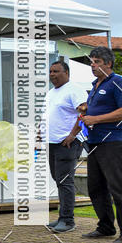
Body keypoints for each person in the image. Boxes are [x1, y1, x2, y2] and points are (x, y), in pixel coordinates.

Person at [70, 46, 122, 243]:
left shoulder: (117, 82)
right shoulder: (95, 85)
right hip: (94, 142)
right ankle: (105, 227)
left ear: (108, 63)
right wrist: (87, 109)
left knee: (118, 188)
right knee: (96, 187)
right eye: (91, 62)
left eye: (97, 62)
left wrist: (96, 119)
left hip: (112, 142)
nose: (92, 65)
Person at [46, 60, 87, 232]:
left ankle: (68, 220)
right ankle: (62, 216)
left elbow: (84, 111)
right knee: (58, 179)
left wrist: (72, 135)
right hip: (52, 143)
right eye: (50, 71)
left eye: (56, 71)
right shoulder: (51, 92)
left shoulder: (74, 89)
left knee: (64, 180)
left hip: (67, 143)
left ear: (67, 73)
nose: (52, 74)